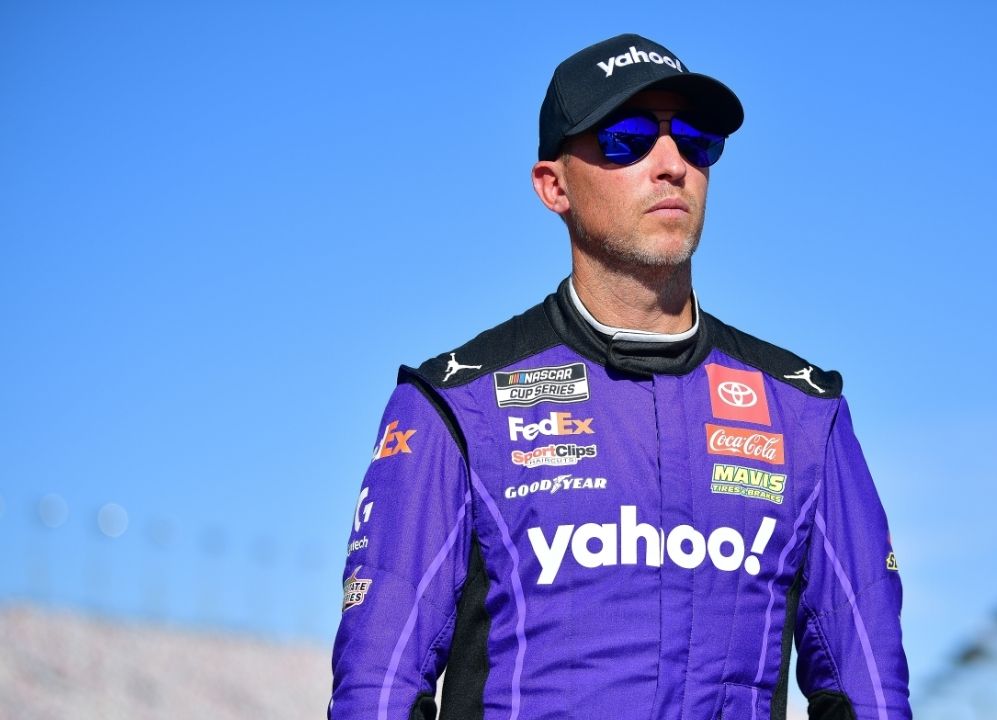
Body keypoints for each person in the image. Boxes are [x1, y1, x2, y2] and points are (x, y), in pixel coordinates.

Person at [329, 33, 911, 720]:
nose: (671, 165)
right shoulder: (454, 406)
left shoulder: (805, 413)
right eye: (627, 138)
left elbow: (870, 693)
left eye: (695, 140)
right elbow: (378, 692)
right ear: (554, 186)